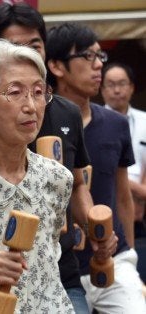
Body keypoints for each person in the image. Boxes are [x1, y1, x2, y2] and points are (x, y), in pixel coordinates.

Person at [0, 3, 93, 312]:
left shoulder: (58, 178)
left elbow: (47, 264)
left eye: (39, 92)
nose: (31, 106)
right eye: (15, 92)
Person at [47, 22, 146, 313]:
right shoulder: (38, 125)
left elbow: (123, 198)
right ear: (56, 65)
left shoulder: (116, 124)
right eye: (87, 57)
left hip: (112, 259)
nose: (97, 66)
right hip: (59, 268)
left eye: (99, 56)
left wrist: (128, 258)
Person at [101, 62, 146, 237]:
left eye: (122, 84)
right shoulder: (93, 123)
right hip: (106, 213)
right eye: (111, 85)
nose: (117, 90)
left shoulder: (145, 121)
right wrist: (137, 190)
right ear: (102, 89)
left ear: (132, 87)